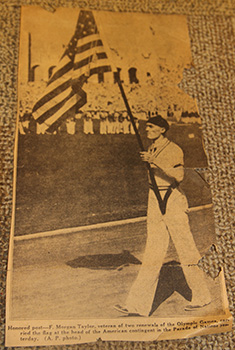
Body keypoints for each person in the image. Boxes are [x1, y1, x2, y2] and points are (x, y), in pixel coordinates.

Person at [114, 115, 211, 317]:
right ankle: (137, 305)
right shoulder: (152, 148)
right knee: (153, 252)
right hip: (155, 200)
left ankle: (202, 296)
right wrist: (152, 159)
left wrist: (154, 161)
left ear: (162, 130)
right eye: (146, 127)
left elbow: (179, 176)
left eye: (150, 127)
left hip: (172, 200)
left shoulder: (174, 149)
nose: (147, 130)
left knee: (185, 249)